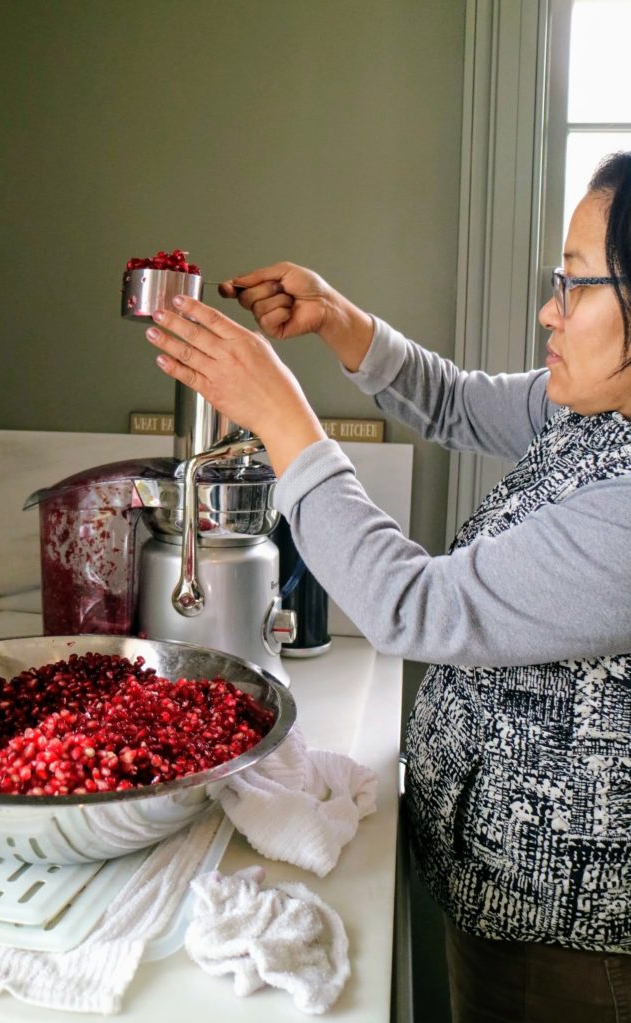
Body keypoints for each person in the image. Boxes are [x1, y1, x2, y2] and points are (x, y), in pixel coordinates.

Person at [144, 151, 631, 1022]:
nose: (548, 311)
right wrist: (338, 320)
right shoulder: (600, 410)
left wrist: (284, 419)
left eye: (579, 287)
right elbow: (454, 401)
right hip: (497, 886)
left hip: (567, 941)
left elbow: (417, 608)